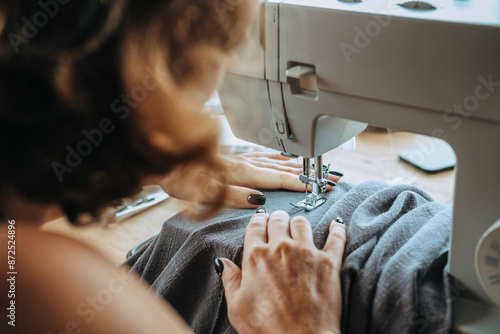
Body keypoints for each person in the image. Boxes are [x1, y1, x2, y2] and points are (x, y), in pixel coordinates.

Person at [0, 1, 346, 333]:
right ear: (170, 61)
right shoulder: (42, 280)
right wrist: (303, 327)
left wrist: (130, 162)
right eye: (229, 48)